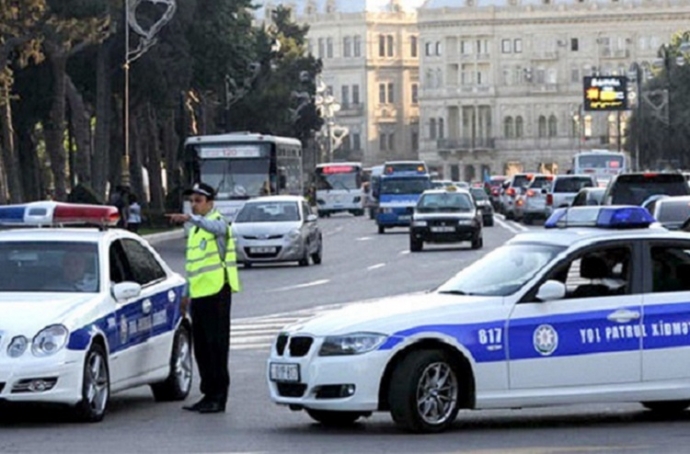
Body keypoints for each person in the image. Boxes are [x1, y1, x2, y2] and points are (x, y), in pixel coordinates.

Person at [166, 182, 241, 414]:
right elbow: (193, 267)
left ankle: (219, 397)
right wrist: (186, 294)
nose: (194, 205)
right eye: (192, 201)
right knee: (202, 349)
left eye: (199, 201)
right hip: (199, 294)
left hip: (218, 293)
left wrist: (190, 218)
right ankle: (208, 393)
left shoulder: (218, 223)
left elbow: (217, 228)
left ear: (210, 203)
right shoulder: (196, 231)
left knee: (217, 347)